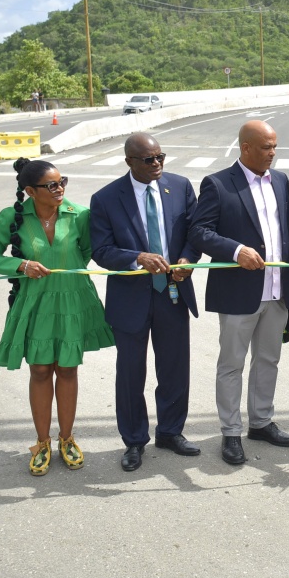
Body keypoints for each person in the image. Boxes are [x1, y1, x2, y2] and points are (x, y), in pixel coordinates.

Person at [0, 159, 113, 476]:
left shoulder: (79, 215)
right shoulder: (13, 217)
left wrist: (65, 270)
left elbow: (89, 250)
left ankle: (67, 439)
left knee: (67, 369)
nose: (60, 188)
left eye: (62, 181)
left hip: (73, 300)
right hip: (35, 303)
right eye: (51, 185)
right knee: (39, 370)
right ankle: (42, 441)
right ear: (29, 191)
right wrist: (21, 267)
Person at [89, 134, 201, 472]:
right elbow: (101, 251)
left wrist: (186, 260)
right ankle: (134, 441)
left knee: (174, 370)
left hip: (173, 293)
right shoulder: (106, 199)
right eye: (148, 160)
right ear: (129, 162)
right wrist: (137, 257)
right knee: (130, 374)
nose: (157, 165)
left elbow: (196, 234)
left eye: (160, 157)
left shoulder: (180, 187)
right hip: (130, 300)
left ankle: (170, 432)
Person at [188, 120, 289, 465]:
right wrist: (236, 251)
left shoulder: (279, 180)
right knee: (231, 364)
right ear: (246, 147)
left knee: (269, 360)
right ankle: (231, 432)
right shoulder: (218, 184)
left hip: (276, 290)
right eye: (266, 148)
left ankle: (261, 422)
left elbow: (284, 232)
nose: (273, 154)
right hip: (238, 292)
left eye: (275, 147)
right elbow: (199, 232)